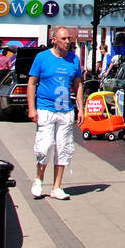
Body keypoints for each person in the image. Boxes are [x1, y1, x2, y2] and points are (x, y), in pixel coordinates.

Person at [27, 26, 84, 200]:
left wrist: (81, 108)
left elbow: (78, 84)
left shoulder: (74, 59)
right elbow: (31, 83)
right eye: (64, 39)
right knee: (45, 146)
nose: (67, 42)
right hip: (46, 108)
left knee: (64, 148)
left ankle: (57, 187)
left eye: (69, 39)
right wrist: (32, 108)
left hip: (65, 110)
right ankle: (38, 179)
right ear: (54, 40)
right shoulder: (42, 58)